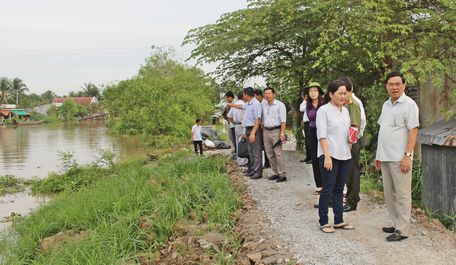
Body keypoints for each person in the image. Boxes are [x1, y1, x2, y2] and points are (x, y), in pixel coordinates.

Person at [375, 71, 419, 242]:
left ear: (404, 85)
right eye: (391, 84)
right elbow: (383, 131)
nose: (394, 87)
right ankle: (395, 223)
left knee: (402, 194)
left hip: (400, 158)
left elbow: (413, 131)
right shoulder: (386, 105)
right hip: (385, 157)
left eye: (397, 84)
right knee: (389, 194)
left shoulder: (409, 105)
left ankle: (403, 229)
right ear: (386, 86)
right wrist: (378, 155)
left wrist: (407, 155)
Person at [316, 80, 354, 233]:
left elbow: (345, 133)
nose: (343, 96)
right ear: (331, 94)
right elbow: (322, 135)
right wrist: (327, 156)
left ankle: (339, 220)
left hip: (344, 154)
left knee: (339, 189)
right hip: (329, 155)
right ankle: (324, 221)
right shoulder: (323, 111)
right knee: (328, 189)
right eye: (340, 93)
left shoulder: (345, 111)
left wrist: (351, 138)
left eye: (345, 93)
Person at [337, 77, 362, 213]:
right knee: (347, 173)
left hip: (351, 144)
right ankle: (349, 198)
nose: (342, 94)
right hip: (346, 144)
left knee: (352, 173)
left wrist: (350, 143)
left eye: (343, 91)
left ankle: (353, 201)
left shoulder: (353, 104)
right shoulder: (345, 103)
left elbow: (354, 126)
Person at [262, 87, 287, 182]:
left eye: (269, 93)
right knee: (269, 153)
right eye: (266, 93)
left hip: (276, 130)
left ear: (274, 94)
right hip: (266, 131)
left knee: (278, 153)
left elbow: (283, 121)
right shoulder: (264, 105)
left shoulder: (280, 105)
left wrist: (282, 133)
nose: (267, 95)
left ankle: (282, 174)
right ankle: (275, 173)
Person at [304, 82, 324, 194]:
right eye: (310, 91)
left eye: (315, 90)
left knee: (325, 156)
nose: (312, 93)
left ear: (319, 92)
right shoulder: (308, 105)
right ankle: (319, 185)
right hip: (312, 131)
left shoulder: (325, 103)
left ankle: (328, 183)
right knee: (315, 158)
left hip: (324, 132)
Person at [242, 87, 263, 179]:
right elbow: (240, 106)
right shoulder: (248, 104)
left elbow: (257, 119)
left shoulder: (256, 104)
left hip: (254, 129)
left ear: (246, 94)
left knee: (256, 151)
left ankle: (258, 172)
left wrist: (253, 133)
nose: (243, 95)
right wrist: (231, 105)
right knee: (250, 151)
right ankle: (253, 169)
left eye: (243, 94)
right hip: (248, 129)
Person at [227, 91, 248, 166]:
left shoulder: (234, 104)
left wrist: (234, 123)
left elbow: (229, 116)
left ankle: (239, 161)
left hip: (236, 126)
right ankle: (244, 161)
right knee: (244, 143)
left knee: (238, 143)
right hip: (242, 126)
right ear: (243, 96)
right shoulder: (243, 104)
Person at [254, 89, 271, 169]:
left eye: (255, 96)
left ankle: (268, 162)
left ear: (258, 95)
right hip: (261, 127)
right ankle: (267, 163)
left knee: (266, 145)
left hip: (265, 127)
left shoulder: (264, 104)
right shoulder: (260, 104)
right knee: (264, 145)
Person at [300, 90, 312, 163]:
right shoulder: (304, 103)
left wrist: (306, 101)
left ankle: (312, 158)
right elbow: (301, 109)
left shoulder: (310, 103)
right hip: (306, 123)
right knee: (307, 141)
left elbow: (303, 108)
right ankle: (308, 156)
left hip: (311, 123)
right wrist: (305, 101)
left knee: (311, 141)